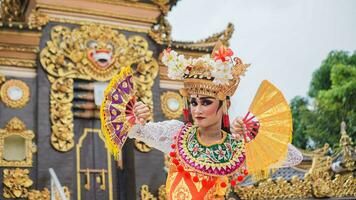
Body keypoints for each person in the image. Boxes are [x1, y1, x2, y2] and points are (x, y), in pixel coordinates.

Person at [126, 44, 303, 200]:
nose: (197, 110)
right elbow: (132, 130)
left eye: (206, 102)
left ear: (225, 104)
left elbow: (294, 157)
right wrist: (134, 116)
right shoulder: (176, 135)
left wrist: (251, 133)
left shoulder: (235, 146)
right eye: (194, 103)